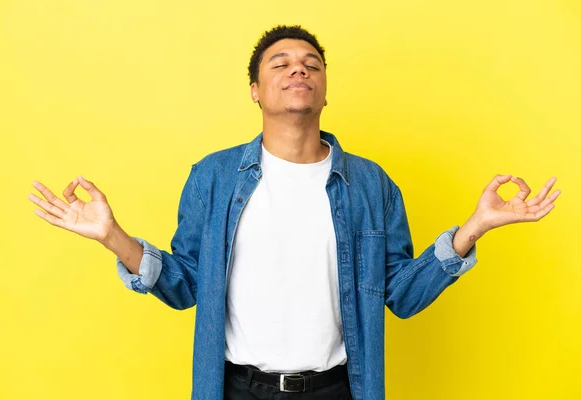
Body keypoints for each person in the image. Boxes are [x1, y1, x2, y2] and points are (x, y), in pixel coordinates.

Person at [28, 25, 560, 400]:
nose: (297, 71)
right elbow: (187, 284)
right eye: (279, 64)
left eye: (311, 65)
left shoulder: (371, 185)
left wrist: (474, 228)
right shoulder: (212, 178)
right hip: (236, 388)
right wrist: (112, 236)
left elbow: (400, 295)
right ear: (256, 91)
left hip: (339, 389)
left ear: (324, 88)